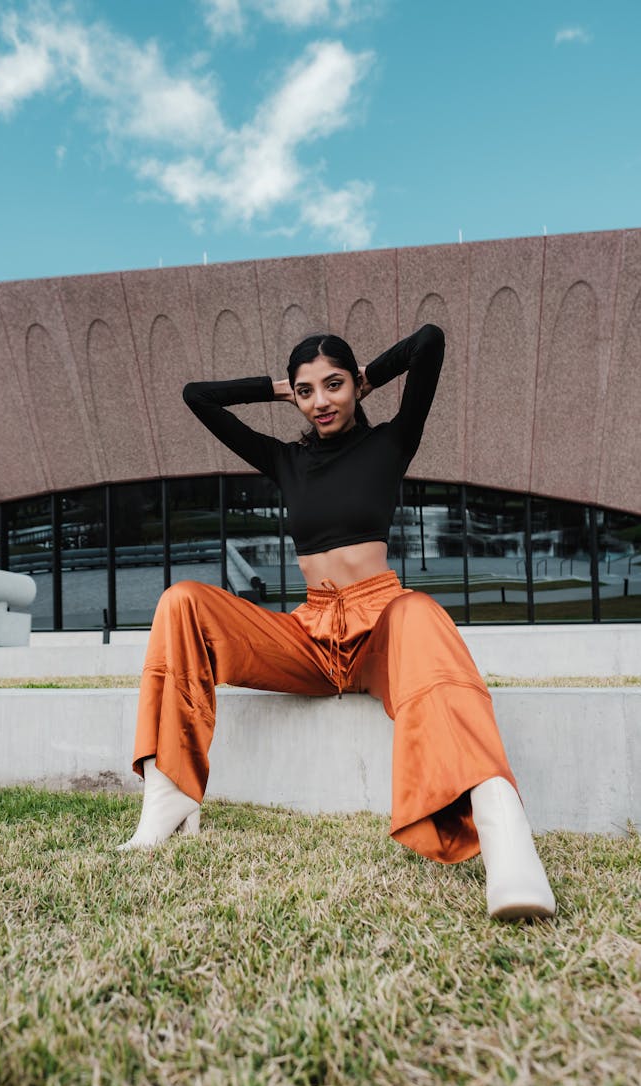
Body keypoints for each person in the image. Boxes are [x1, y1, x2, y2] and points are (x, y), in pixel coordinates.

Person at [118, 323, 556, 922]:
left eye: (334, 385)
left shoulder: (392, 443)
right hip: (310, 633)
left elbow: (428, 341)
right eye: (306, 392)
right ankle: (168, 798)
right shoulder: (285, 459)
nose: (320, 401)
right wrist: (280, 387)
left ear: (355, 385)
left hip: (383, 627)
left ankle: (505, 832)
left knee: (422, 612)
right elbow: (198, 396)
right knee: (182, 602)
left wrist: (365, 378)